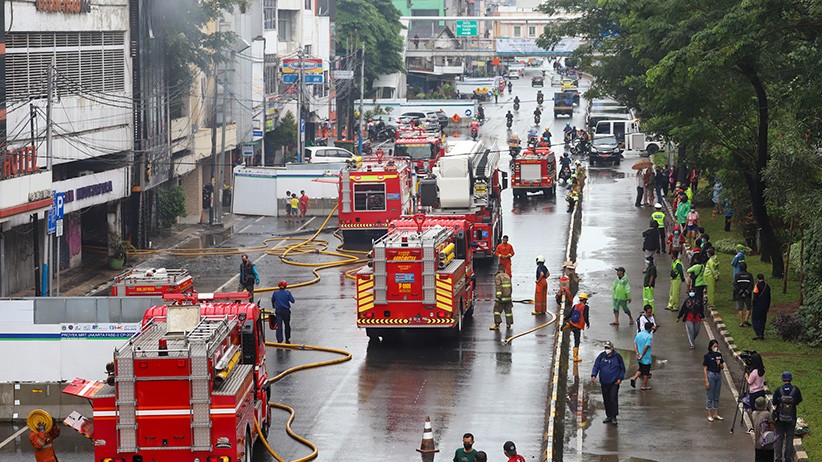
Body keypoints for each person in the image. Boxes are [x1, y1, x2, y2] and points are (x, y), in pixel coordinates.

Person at [591, 340, 626, 425]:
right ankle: (609, 415)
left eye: (608, 348)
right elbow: (596, 366)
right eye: (606, 348)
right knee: (606, 399)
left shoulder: (617, 357)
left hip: (614, 382)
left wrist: (620, 378)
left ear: (612, 348)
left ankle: (614, 416)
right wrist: (593, 375)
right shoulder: (601, 356)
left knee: (613, 398)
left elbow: (622, 368)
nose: (607, 350)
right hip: (604, 382)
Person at [772, 371, 803, 462]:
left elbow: (774, 402)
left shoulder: (779, 390)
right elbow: (798, 401)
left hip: (780, 418)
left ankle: (778, 458)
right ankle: (788, 458)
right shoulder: (795, 390)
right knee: (790, 439)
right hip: (791, 417)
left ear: (782, 379)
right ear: (790, 379)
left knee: (779, 438)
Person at [563, 293, 590, 362]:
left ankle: (568, 325)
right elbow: (585, 316)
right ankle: (575, 357)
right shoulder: (586, 307)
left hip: (572, 323)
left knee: (573, 330)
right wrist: (587, 323)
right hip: (578, 326)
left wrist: (564, 318)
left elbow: (570, 314)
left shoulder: (575, 306)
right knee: (577, 341)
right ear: (585, 300)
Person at [703, 339, 725, 422]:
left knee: (716, 395)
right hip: (711, 375)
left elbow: (723, 367)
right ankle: (709, 414)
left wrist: (720, 363)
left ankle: (716, 413)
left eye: (716, 346)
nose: (716, 348)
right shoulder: (707, 356)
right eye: (714, 346)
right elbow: (705, 368)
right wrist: (706, 380)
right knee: (710, 395)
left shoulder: (719, 355)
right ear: (711, 347)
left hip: (718, 375)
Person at [629, 322, 654, 390]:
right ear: (650, 328)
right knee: (646, 372)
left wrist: (637, 353)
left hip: (638, 356)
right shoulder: (649, 336)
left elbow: (635, 343)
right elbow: (646, 347)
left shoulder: (639, 334)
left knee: (641, 368)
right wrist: (642, 355)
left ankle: (634, 378)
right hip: (646, 357)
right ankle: (644, 386)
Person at [752, 396, 776, 462]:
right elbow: (772, 427)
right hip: (767, 444)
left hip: (758, 444)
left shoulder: (753, 414)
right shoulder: (767, 414)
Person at [491, 264, 513, 330]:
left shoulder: (498, 277)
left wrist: (498, 296)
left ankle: (497, 324)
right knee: (508, 312)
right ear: (504, 270)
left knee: (496, 311)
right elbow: (510, 287)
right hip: (508, 298)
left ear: (498, 269)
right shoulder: (507, 276)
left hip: (501, 298)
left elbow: (498, 287)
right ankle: (508, 324)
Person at [733, 262, 754, 327]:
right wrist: (746, 292)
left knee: (740, 308)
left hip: (739, 295)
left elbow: (735, 284)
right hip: (748, 294)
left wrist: (741, 292)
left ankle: (741, 322)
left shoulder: (737, 275)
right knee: (748, 308)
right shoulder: (749, 275)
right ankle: (746, 320)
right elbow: (751, 284)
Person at [752, 274, 771, 340]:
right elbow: (769, 297)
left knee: (755, 319)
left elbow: (755, 296)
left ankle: (758, 333)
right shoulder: (767, 286)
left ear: (757, 279)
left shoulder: (757, 285)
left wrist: (753, 304)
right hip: (765, 306)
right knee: (763, 320)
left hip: (757, 306)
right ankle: (762, 333)